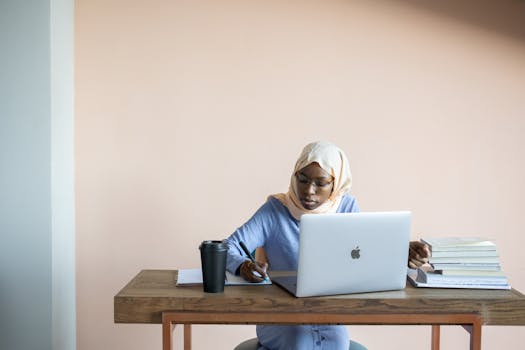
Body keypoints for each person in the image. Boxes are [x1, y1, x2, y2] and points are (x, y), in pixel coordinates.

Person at [224, 141, 429, 350]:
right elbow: (227, 247)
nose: (308, 191)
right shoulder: (274, 211)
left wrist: (401, 253)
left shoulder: (347, 207)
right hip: (281, 316)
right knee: (299, 343)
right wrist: (243, 265)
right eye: (302, 180)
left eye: (320, 183)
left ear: (335, 184)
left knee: (338, 343)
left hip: (329, 315)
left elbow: (365, 255)